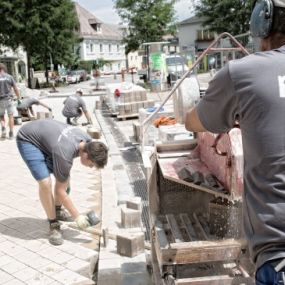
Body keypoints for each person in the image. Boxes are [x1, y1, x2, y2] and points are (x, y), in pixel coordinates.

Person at [185, 1, 285, 284]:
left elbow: (195, 122)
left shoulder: (243, 72)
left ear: (261, 25)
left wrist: (192, 113)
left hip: (279, 257)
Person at [16, 119, 108, 245]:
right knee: (45, 183)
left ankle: (57, 210)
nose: (91, 167)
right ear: (86, 155)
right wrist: (77, 217)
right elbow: (60, 191)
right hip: (28, 139)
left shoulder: (87, 141)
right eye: (92, 164)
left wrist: (65, 181)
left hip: (47, 139)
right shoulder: (64, 152)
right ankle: (53, 223)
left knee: (65, 179)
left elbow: (63, 177)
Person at [0, 63, 21, 139]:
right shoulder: (9, 77)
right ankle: (11, 133)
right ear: (4, 69)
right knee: (11, 116)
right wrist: (19, 98)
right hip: (9, 99)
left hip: (0, 100)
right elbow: (15, 88)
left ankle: (3, 128)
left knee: (1, 116)